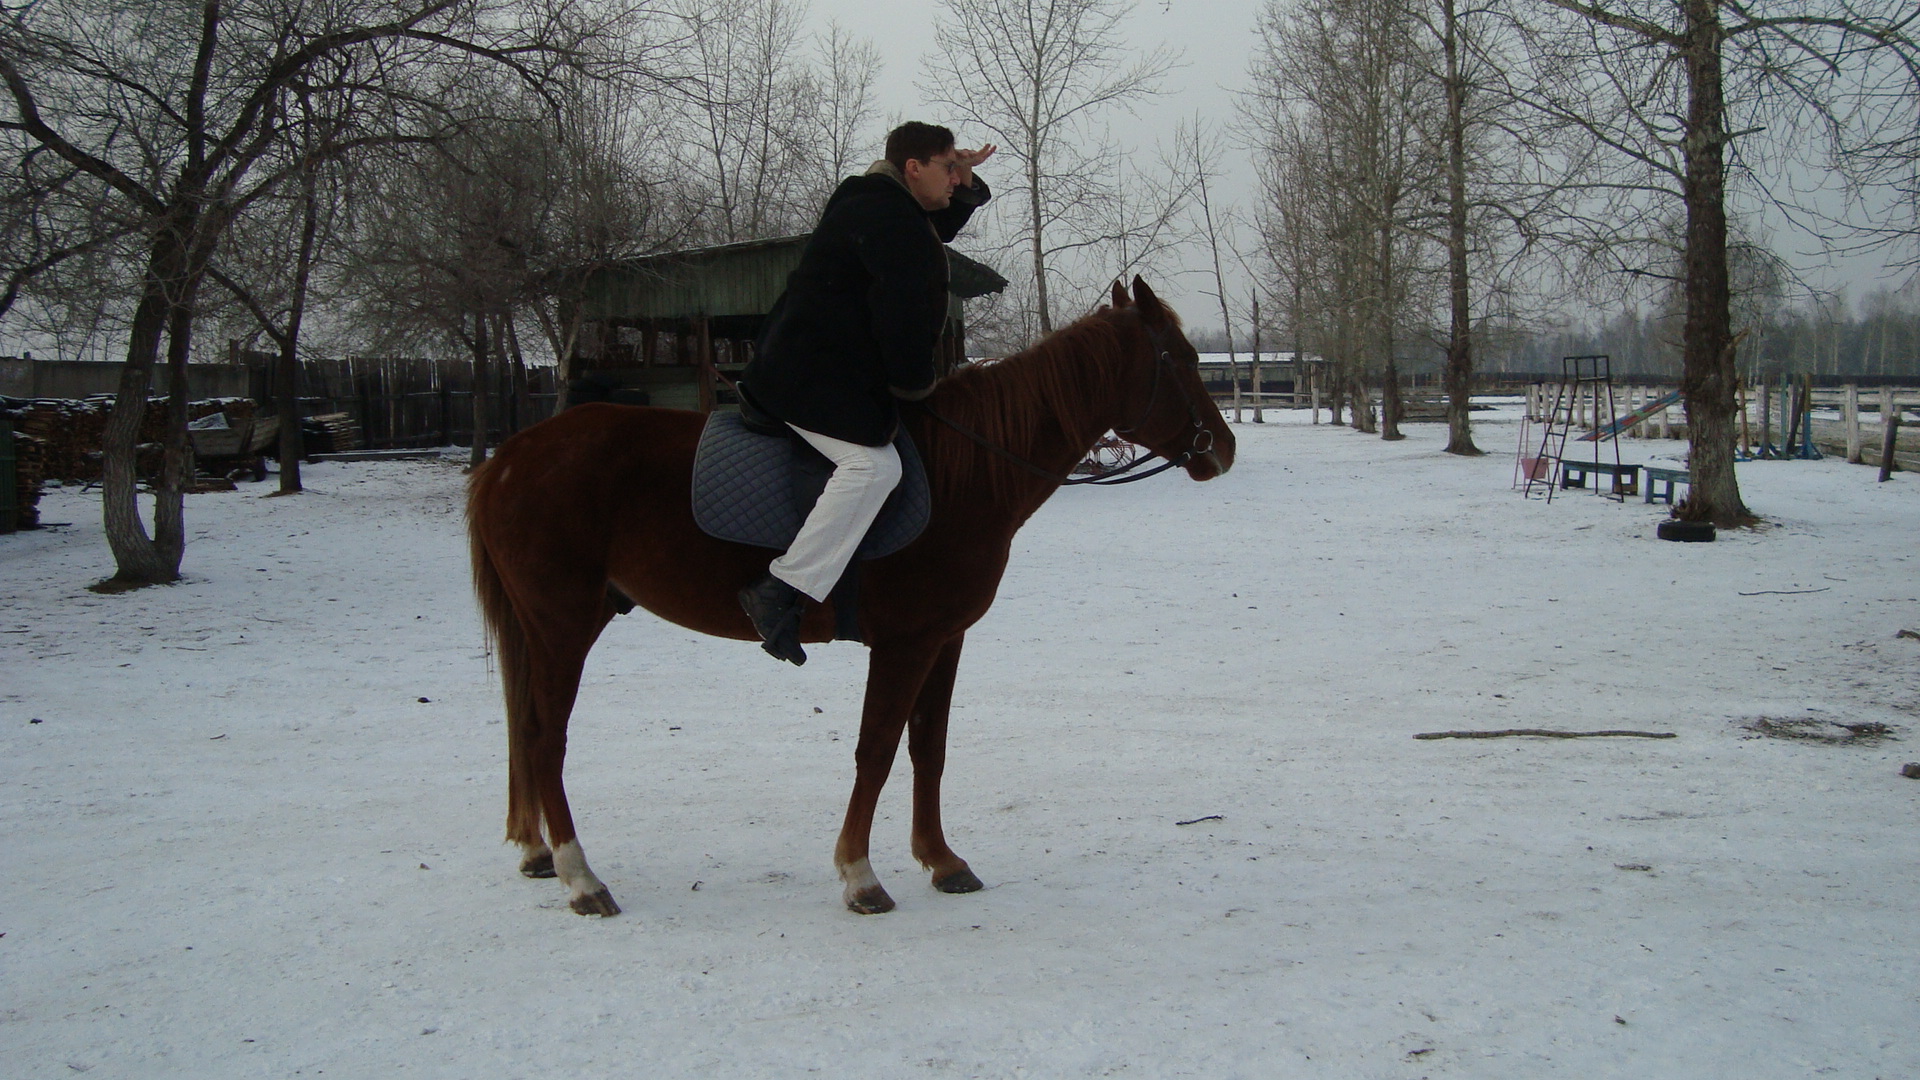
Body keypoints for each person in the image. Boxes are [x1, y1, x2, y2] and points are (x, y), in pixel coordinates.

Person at [737, 122, 995, 665]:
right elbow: (903, 317)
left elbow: (932, 227)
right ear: (913, 169)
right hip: (808, 377)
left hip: (815, 365)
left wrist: (964, 178)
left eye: (957, 170)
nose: (955, 179)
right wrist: (915, 386)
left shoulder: (876, 201)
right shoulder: (889, 218)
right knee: (874, 468)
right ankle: (781, 588)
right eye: (947, 168)